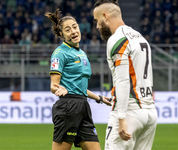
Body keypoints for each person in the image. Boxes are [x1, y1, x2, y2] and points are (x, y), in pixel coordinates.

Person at [93, 0, 157, 150]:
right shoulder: (140, 37)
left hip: (129, 111)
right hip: (150, 112)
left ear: (105, 16)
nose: (96, 26)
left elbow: (123, 80)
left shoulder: (116, 40)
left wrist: (121, 117)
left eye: (97, 21)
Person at [45, 9, 111, 150]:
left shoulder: (82, 54)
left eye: (75, 27)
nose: (73, 31)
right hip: (68, 107)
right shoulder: (60, 53)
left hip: (83, 106)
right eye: (68, 30)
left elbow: (79, 88)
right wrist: (59, 88)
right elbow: (53, 85)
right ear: (62, 34)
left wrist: (99, 98)